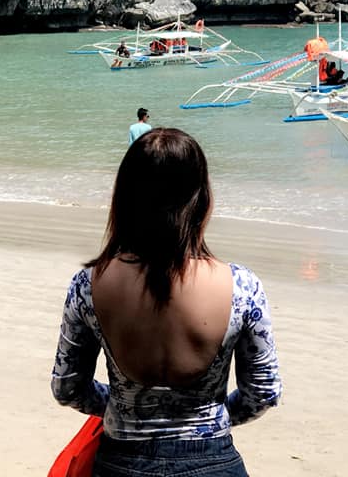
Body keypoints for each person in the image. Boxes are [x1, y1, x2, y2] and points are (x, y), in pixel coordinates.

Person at [51, 128, 281, 476]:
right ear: (201, 197)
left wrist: (118, 408)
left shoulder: (88, 286)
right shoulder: (242, 287)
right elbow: (263, 391)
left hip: (121, 464)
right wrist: (211, 418)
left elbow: (68, 388)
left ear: (125, 198)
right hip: (213, 462)